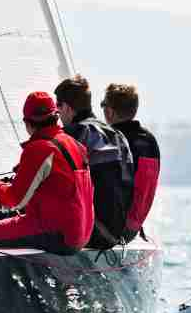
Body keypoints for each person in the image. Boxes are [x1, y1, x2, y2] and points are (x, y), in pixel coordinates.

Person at [0, 92, 94, 255]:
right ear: (55, 117)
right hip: (82, 233)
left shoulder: (39, 149)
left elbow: (15, 201)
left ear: (27, 123)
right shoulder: (74, 144)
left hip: (58, 234)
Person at [54, 75, 135, 249]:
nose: (57, 113)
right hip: (117, 233)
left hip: (92, 233)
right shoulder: (117, 134)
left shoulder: (73, 134)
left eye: (58, 106)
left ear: (67, 108)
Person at [101, 83, 161, 243]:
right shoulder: (150, 140)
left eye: (103, 105)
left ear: (110, 111)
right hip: (132, 229)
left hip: (112, 232)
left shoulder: (112, 139)